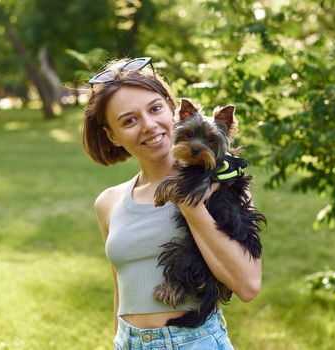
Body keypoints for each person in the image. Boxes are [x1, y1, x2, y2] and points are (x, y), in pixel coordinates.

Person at [81, 57, 261, 349]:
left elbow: (248, 285)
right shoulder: (108, 202)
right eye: (129, 120)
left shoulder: (224, 187)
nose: (149, 125)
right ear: (112, 136)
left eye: (155, 109)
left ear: (173, 110)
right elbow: (121, 290)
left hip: (194, 340)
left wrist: (191, 205)